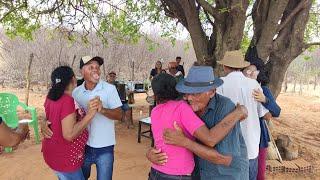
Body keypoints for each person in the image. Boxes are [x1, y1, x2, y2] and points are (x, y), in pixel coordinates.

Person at [147, 66, 249, 180]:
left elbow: (224, 158)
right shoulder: (184, 105)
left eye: (196, 93)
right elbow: (165, 138)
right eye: (187, 93)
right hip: (198, 172)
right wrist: (151, 153)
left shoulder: (225, 108)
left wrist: (185, 142)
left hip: (224, 175)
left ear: (211, 92)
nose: (189, 98)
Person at [42, 56, 122, 180]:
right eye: (91, 67)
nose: (96, 70)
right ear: (81, 72)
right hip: (83, 148)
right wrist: (44, 122)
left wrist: (103, 109)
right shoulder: (75, 92)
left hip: (104, 148)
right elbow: (58, 110)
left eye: (97, 67)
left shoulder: (110, 89)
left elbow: (119, 114)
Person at [216, 50, 271, 180]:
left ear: (224, 66)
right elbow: (264, 115)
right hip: (251, 146)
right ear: (241, 67)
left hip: (228, 146)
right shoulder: (254, 84)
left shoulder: (220, 84)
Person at [42, 66, 98, 180]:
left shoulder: (51, 97)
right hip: (65, 159)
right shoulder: (67, 100)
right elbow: (69, 135)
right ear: (73, 79)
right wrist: (90, 115)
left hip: (53, 153)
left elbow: (50, 117)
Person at [243, 62, 281, 180]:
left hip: (260, 138)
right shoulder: (240, 88)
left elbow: (276, 112)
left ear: (258, 74)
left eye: (254, 72)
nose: (251, 74)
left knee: (259, 174)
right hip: (242, 136)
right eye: (248, 72)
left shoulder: (264, 90)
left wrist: (265, 99)